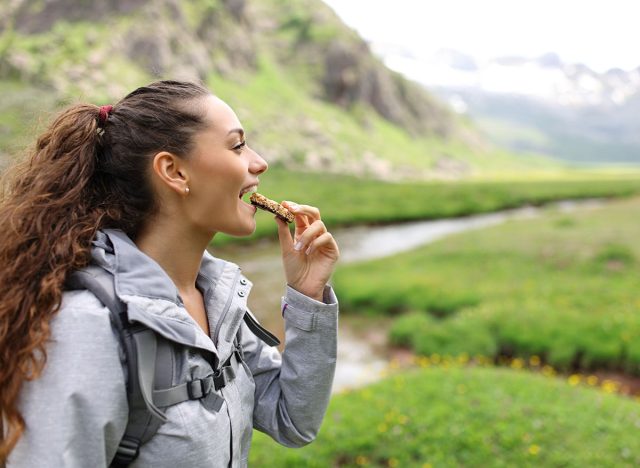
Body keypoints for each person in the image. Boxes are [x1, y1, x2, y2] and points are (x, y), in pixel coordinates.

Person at [0, 80, 339, 467]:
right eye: (237, 145)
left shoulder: (219, 300)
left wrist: (308, 295)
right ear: (174, 171)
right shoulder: (88, 328)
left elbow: (293, 420)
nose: (259, 162)